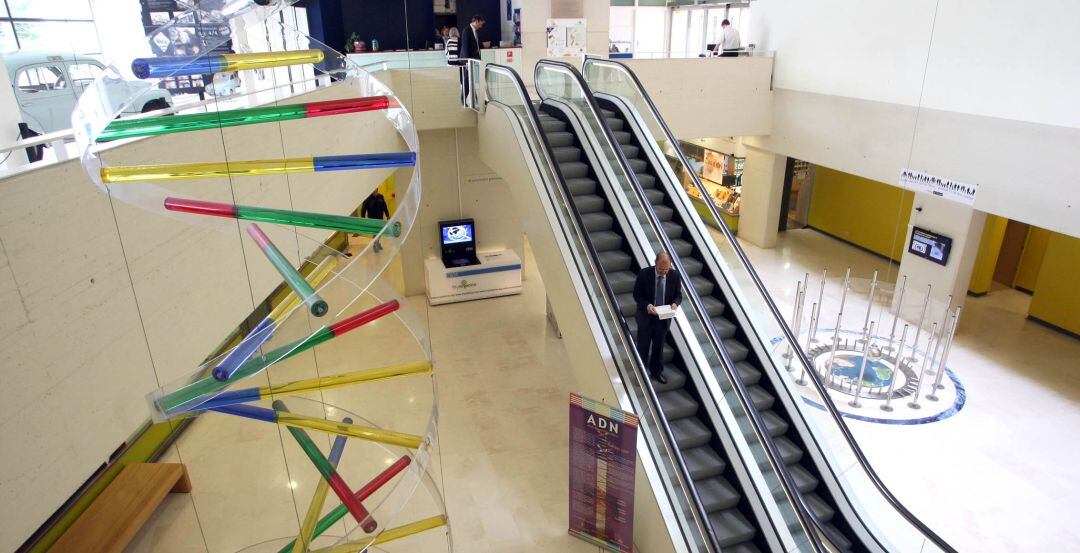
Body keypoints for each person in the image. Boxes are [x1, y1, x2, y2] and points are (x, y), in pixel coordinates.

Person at [632, 252, 683, 384]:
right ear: (656, 263)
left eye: (666, 269)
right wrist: (647, 305)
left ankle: (656, 371)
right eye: (661, 269)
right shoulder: (644, 274)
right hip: (646, 317)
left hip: (663, 318)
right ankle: (641, 374)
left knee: (658, 347)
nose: (663, 273)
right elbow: (637, 295)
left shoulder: (675, 275)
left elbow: (678, 295)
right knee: (643, 347)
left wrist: (675, 303)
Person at [458, 14, 485, 106]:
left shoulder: (475, 31)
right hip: (467, 61)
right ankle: (463, 100)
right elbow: (465, 47)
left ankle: (476, 99)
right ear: (476, 21)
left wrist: (479, 59)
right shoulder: (467, 31)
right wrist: (466, 63)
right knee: (467, 82)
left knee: (471, 81)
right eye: (480, 24)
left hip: (473, 60)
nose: (481, 26)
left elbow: (475, 46)